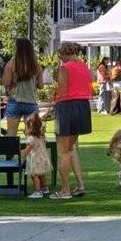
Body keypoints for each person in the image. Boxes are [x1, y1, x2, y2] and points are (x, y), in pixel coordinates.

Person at [53, 42, 94, 199]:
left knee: (63, 151)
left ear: (63, 54)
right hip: (82, 107)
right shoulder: (83, 66)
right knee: (71, 148)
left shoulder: (65, 67)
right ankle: (80, 185)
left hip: (66, 107)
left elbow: (62, 90)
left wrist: (51, 105)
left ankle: (65, 191)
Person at [2, 38, 43, 138]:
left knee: (11, 134)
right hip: (31, 102)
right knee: (32, 135)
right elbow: (41, 85)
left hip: (15, 101)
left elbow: (5, 82)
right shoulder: (36, 65)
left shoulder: (11, 64)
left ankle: (11, 153)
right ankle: (30, 153)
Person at [22, 112, 53, 199]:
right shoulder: (41, 136)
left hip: (35, 159)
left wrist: (22, 153)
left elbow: (29, 148)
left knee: (35, 175)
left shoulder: (31, 138)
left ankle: (38, 191)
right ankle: (45, 188)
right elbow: (45, 143)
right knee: (41, 174)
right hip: (43, 158)